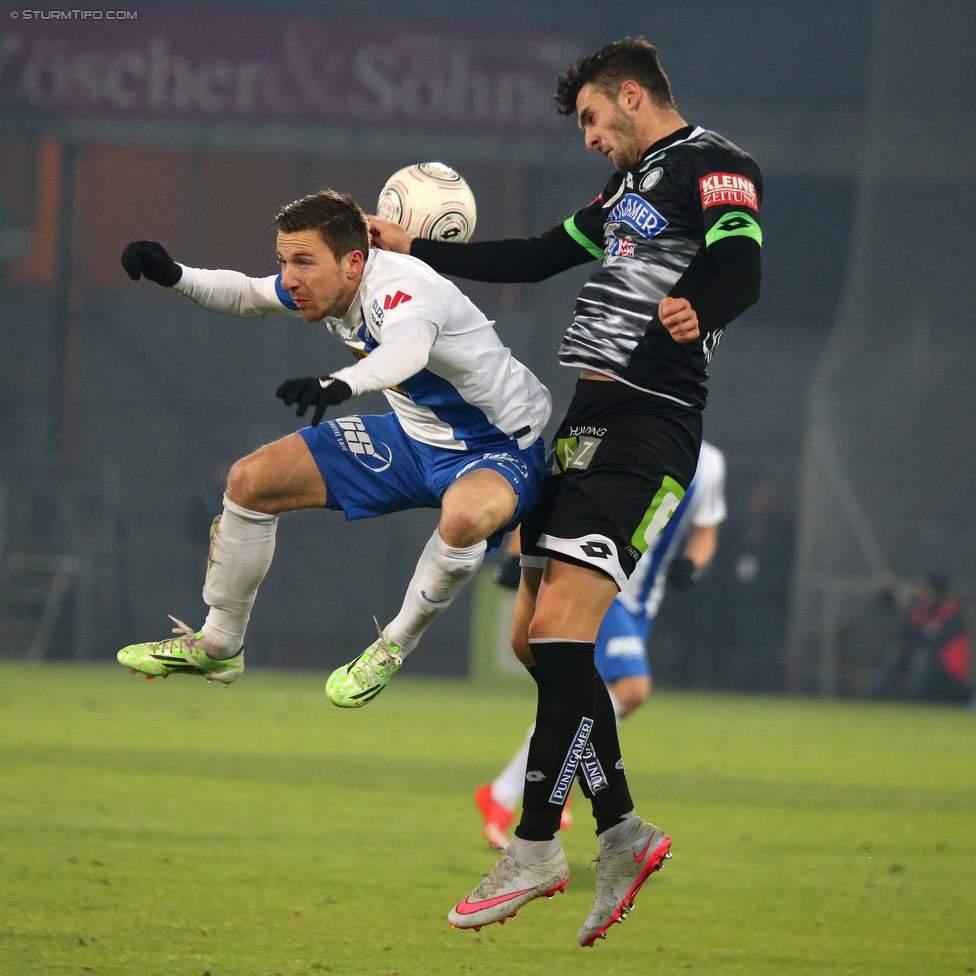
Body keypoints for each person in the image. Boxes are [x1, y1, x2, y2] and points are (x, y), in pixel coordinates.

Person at [370, 37, 761, 945]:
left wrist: (702, 303)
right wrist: (412, 245)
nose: (587, 136)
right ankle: (622, 830)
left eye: (591, 118)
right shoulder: (626, 190)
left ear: (632, 96)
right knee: (529, 638)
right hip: (585, 422)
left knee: (560, 635)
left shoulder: (716, 165)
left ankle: (538, 845)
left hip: (650, 424)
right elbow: (541, 253)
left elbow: (741, 263)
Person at [115, 189, 551, 702]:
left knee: (463, 518)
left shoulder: (405, 289)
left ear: (354, 262)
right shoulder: (326, 285)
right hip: (412, 438)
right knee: (250, 481)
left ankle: (393, 645)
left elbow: (407, 351)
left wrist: (340, 385)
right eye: (284, 261)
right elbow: (249, 295)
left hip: (496, 448)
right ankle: (218, 645)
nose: (290, 277)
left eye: (303, 261)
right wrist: (175, 275)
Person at [476, 441, 726, 849]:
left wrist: (692, 564)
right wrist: (517, 550)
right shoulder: (619, 431)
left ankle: (516, 789)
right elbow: (551, 488)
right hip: (593, 579)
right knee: (631, 689)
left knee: (582, 697)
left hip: (641, 602)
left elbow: (706, 530)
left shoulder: (711, 463)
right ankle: (510, 793)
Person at [870, 575, 972, 704]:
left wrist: (921, 635)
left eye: (928, 591)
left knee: (922, 658)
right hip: (923, 655)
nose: (924, 595)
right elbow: (909, 634)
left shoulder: (952, 614)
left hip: (947, 666)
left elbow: (937, 641)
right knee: (894, 655)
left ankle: (912, 700)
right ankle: (877, 697)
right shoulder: (921, 611)